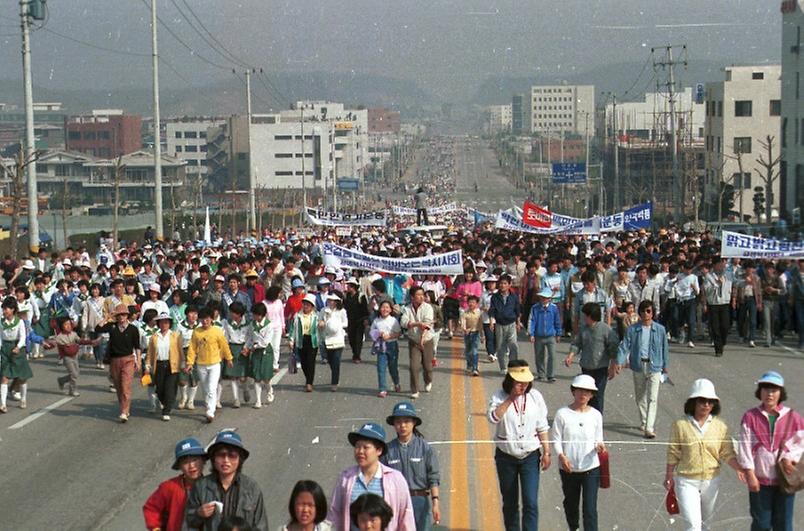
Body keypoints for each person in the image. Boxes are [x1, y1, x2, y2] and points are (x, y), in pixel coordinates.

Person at [665, 379, 744, 531]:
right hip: (686, 481)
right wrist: (669, 476)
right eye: (702, 401)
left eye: (710, 401)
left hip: (711, 481)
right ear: (694, 402)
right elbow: (673, 452)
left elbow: (726, 452)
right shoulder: (680, 425)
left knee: (706, 525)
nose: (706, 405)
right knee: (693, 526)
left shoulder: (720, 426)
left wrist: (739, 468)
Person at [487, 360, 551, 531]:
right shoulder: (498, 396)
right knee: (510, 502)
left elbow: (542, 426)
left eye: (526, 382)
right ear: (510, 380)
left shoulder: (535, 397)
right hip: (506, 457)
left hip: (530, 457)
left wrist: (546, 451)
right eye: (519, 382)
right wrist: (511, 398)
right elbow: (493, 418)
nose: (523, 386)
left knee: (530, 501)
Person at [737, 371, 803, 531]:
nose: (770, 394)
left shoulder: (793, 417)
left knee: (784, 525)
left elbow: (800, 442)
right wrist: (750, 474)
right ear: (760, 392)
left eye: (774, 390)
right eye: (765, 389)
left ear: (781, 393)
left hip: (785, 481)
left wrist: (789, 457)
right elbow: (744, 445)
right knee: (761, 524)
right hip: (760, 481)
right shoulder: (750, 417)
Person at [328, 422, 415, 531]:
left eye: (365, 447)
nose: (360, 451)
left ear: (379, 450)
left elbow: (406, 517)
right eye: (357, 447)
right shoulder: (346, 478)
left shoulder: (396, 479)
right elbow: (334, 514)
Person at [551, 374, 606, 531]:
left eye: (587, 392)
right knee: (571, 504)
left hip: (591, 468)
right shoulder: (562, 414)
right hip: (569, 468)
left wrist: (599, 447)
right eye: (580, 391)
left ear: (592, 395)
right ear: (573, 392)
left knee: (590, 509)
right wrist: (561, 456)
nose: (583, 395)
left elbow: (598, 439)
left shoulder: (596, 415)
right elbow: (556, 439)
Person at [184, 431, 269, 531]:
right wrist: (199, 513)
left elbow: (261, 526)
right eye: (221, 455)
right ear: (213, 459)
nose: (226, 460)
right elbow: (189, 521)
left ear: (239, 459)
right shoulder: (201, 486)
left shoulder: (251, 488)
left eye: (232, 455)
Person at [612, 300, 669, 439]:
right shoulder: (633, 329)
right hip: (638, 365)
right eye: (643, 311)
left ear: (653, 313)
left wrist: (665, 366)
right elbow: (625, 346)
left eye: (648, 311)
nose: (645, 314)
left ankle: (649, 427)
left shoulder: (660, 329)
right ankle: (644, 421)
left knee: (653, 398)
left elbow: (664, 348)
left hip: (654, 366)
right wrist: (619, 361)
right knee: (640, 397)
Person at [383, 402, 441, 530]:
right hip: (396, 503)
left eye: (406, 421)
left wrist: (435, 502)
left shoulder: (425, 448)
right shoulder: (387, 450)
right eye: (398, 422)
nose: (402, 425)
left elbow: (433, 477)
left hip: (420, 502)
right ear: (393, 424)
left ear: (414, 423)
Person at [564, 302, 620, 415]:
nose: (584, 318)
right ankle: (586, 416)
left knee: (597, 395)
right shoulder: (584, 329)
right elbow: (577, 344)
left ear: (591, 316)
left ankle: (597, 417)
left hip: (600, 368)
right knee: (586, 394)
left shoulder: (606, 330)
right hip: (586, 368)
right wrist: (570, 356)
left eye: (585, 315)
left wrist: (613, 366)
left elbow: (613, 349)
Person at [143, 438, 207, 531]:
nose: (191, 466)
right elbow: (151, 508)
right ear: (180, 467)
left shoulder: (213, 485)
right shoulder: (169, 487)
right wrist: (155, 528)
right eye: (185, 462)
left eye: (195, 460)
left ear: (203, 461)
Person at [186, 306, 234, 423]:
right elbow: (192, 348)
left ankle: (210, 411)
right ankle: (208, 405)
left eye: (207, 319)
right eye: (202, 319)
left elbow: (224, 346)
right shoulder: (197, 332)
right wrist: (189, 363)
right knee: (205, 388)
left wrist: (229, 358)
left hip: (214, 364)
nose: (205, 321)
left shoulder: (217, 331)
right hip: (201, 364)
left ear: (212, 319)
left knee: (212, 387)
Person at [95, 304, 142, 422]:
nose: (121, 317)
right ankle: (124, 407)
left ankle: (124, 411)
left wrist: (139, 361)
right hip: (114, 360)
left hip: (128, 359)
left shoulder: (133, 329)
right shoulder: (112, 327)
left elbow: (137, 346)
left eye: (123, 314)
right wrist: (107, 317)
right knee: (119, 386)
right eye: (119, 315)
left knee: (126, 386)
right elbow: (98, 328)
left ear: (127, 316)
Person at [144, 312, 183, 421]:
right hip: (159, 365)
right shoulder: (154, 337)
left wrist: (184, 363)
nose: (164, 324)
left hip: (172, 364)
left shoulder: (175, 335)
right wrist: (147, 365)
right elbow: (150, 352)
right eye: (161, 322)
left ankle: (166, 410)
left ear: (169, 324)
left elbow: (180, 350)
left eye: (166, 322)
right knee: (160, 388)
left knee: (170, 388)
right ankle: (165, 402)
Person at [400, 286, 435, 399]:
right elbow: (404, 322)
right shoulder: (407, 309)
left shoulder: (428, 307)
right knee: (414, 366)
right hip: (414, 340)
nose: (421, 297)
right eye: (418, 295)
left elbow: (427, 325)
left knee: (427, 366)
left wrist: (422, 340)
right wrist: (417, 324)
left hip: (427, 340)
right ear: (412, 297)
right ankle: (414, 389)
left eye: (422, 295)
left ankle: (428, 380)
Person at [0, 297, 32, 412]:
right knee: (4, 377)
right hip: (5, 350)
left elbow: (23, 336)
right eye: (3, 309)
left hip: (17, 349)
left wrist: (18, 347)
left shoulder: (20, 322)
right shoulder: (1, 323)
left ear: (13, 309)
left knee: (21, 377)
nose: (4, 311)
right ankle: (3, 404)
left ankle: (23, 399)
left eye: (6, 309)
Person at [488, 275, 522, 374]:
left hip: (511, 323)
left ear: (509, 284)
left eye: (505, 283)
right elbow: (492, 310)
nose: (502, 285)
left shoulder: (514, 297)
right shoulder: (495, 297)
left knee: (513, 345)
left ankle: (513, 366)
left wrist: (518, 323)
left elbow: (517, 311)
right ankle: (503, 367)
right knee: (500, 347)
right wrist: (491, 322)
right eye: (501, 283)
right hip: (499, 324)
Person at [527, 288, 562, 383]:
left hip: (551, 336)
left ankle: (551, 375)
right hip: (539, 335)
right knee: (539, 355)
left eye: (545, 297)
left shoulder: (554, 308)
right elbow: (532, 321)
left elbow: (557, 321)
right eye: (542, 297)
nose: (543, 299)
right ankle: (541, 374)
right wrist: (531, 334)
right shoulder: (535, 308)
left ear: (549, 298)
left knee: (552, 355)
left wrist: (559, 333)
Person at [702, 257, 734, 357]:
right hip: (713, 304)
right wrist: (716, 284)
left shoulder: (728, 275)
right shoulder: (708, 276)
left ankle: (723, 341)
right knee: (715, 327)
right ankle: (718, 349)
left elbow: (734, 284)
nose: (722, 266)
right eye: (720, 264)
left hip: (724, 303)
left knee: (725, 326)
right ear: (715, 265)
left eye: (723, 264)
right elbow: (707, 291)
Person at [223, 301, 252, 408]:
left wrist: (247, 348)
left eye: (233, 312)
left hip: (243, 349)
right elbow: (225, 337)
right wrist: (226, 351)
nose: (231, 314)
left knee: (243, 377)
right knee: (233, 376)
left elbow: (250, 337)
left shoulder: (248, 323)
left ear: (239, 314)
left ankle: (245, 389)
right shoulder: (227, 323)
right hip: (232, 348)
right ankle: (236, 399)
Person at [370, 300, 402, 398]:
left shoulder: (393, 320)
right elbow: (371, 332)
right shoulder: (376, 321)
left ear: (391, 309)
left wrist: (390, 336)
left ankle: (396, 383)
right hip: (381, 346)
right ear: (379, 309)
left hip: (392, 345)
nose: (385, 309)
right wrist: (378, 334)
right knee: (381, 368)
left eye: (387, 307)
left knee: (393, 368)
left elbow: (399, 333)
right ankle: (382, 389)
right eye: (383, 307)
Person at [288, 294, 319, 392]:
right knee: (304, 362)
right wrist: (291, 340)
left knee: (311, 362)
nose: (305, 307)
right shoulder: (297, 316)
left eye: (308, 305)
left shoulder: (316, 316)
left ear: (312, 307)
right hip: (301, 340)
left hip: (312, 340)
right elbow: (292, 329)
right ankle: (308, 379)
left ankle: (309, 383)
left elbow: (322, 328)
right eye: (304, 304)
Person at [249, 301, 276, 407]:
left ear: (261, 315)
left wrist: (255, 346)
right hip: (256, 352)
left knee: (266, 377)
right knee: (257, 376)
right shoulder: (252, 324)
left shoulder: (269, 325)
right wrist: (248, 347)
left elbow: (266, 342)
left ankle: (270, 390)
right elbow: (250, 338)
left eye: (256, 315)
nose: (254, 316)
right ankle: (258, 400)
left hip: (266, 352)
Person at [319, 293, 348, 392]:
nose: (330, 302)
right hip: (327, 338)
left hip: (338, 337)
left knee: (336, 360)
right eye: (329, 300)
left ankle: (334, 381)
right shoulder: (324, 310)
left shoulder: (341, 311)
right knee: (330, 360)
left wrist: (336, 325)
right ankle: (335, 374)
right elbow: (319, 321)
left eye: (332, 300)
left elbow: (345, 323)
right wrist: (322, 323)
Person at [344, 278, 369, 364]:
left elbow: (365, 309)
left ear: (354, 287)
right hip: (350, 320)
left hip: (359, 321)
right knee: (351, 339)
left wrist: (365, 319)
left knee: (358, 339)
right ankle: (354, 352)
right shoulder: (346, 296)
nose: (348, 287)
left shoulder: (361, 296)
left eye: (349, 286)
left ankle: (357, 355)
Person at [459, 294, 483, 376]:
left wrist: (482, 336)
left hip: (475, 333)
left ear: (477, 304)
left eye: (473, 302)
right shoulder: (464, 312)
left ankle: (475, 368)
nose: (471, 304)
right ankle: (469, 364)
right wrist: (464, 329)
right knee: (468, 350)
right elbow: (463, 322)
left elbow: (480, 325)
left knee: (474, 350)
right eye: (470, 302)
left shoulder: (479, 313)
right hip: (467, 333)